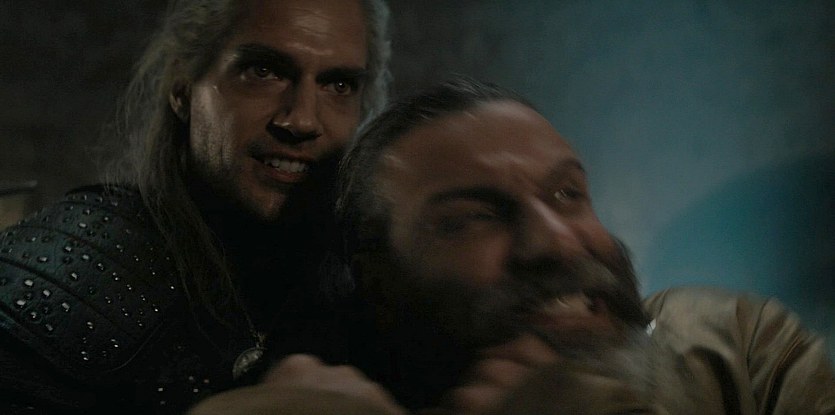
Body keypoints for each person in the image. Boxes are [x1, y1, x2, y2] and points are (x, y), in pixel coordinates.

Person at [190, 77, 835, 414]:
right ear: (373, 278)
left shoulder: (732, 347)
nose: (556, 241)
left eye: (567, 194)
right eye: (473, 218)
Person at [0, 0, 391, 413]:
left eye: (339, 85)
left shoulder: (360, 290)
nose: (302, 120)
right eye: (263, 71)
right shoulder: (72, 266)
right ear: (183, 88)